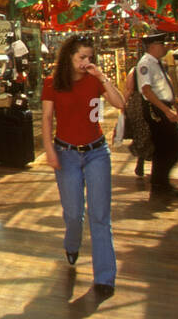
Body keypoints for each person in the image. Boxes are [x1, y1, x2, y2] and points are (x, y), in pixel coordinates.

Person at [42, 34, 125, 298]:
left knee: (100, 215)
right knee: (73, 212)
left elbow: (120, 103)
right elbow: (46, 118)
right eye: (81, 57)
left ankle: (105, 277)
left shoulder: (93, 81)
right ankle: (72, 243)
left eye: (90, 58)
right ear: (68, 57)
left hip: (97, 152)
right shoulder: (52, 83)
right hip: (66, 153)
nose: (86, 62)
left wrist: (102, 77)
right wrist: (49, 150)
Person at [138, 33, 178, 197]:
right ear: (152, 46)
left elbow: (162, 88)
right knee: (174, 144)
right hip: (155, 110)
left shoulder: (156, 63)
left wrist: (177, 104)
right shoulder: (145, 64)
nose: (164, 47)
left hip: (163, 107)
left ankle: (160, 182)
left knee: (165, 147)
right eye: (161, 44)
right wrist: (166, 111)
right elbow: (147, 90)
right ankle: (160, 182)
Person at [122, 64, 155, 178]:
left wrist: (122, 104)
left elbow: (129, 89)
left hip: (137, 104)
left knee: (140, 133)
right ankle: (152, 164)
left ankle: (140, 161)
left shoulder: (134, 70)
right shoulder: (157, 69)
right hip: (152, 102)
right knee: (153, 134)